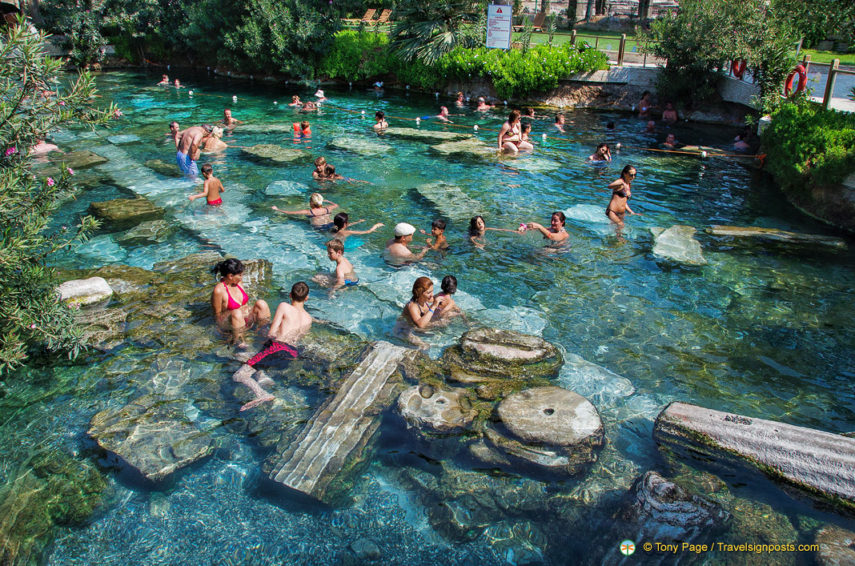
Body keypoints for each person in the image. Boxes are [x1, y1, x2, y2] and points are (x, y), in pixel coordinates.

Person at [232, 282, 311, 411]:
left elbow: (272, 333)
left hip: (278, 347)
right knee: (253, 360)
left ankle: (262, 394)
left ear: (290, 295)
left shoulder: (284, 306)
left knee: (239, 375)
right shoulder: (308, 318)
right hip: (292, 353)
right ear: (307, 298)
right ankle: (262, 375)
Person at [210, 258, 271, 349]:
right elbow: (217, 316)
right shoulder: (219, 290)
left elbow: (244, 304)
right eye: (240, 275)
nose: (242, 277)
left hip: (244, 319)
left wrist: (246, 310)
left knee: (261, 303)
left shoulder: (238, 282)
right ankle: (240, 342)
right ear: (231, 276)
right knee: (237, 313)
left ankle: (264, 333)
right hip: (233, 322)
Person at [271, 192, 338, 229]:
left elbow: (289, 213)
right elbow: (336, 205)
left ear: (311, 202)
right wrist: (328, 201)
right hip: (331, 224)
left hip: (319, 227)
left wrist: (277, 209)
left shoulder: (308, 212)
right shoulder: (327, 208)